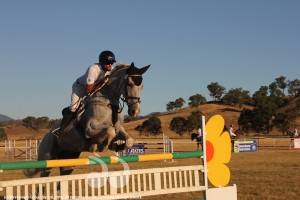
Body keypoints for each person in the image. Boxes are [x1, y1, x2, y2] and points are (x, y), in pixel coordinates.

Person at [57, 50, 116, 136]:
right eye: (108, 63)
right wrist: (102, 81)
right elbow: (88, 90)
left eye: (112, 63)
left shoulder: (111, 70)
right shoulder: (93, 69)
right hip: (80, 87)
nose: (110, 65)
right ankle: (61, 130)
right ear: (102, 62)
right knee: (73, 107)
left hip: (96, 89)